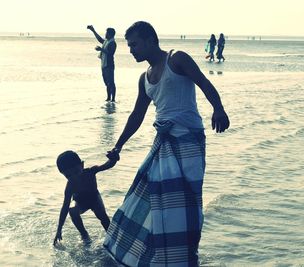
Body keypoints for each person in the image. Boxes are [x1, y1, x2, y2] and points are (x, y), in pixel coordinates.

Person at [103, 21, 230, 266]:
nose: (131, 50)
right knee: (146, 196)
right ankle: (147, 254)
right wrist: (118, 147)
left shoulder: (177, 59)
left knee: (186, 204)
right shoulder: (144, 78)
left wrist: (219, 109)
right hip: (162, 143)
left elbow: (204, 82)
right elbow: (137, 115)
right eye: (129, 46)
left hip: (189, 142)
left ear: (151, 39)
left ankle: (185, 256)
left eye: (135, 44)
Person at [53, 150, 119, 245]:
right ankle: (84, 234)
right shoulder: (70, 186)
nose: (74, 177)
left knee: (103, 218)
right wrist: (59, 229)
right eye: (68, 176)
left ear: (82, 165)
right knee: (72, 210)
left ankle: (113, 238)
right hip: (80, 202)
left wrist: (113, 159)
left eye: (76, 172)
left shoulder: (90, 172)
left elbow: (107, 165)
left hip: (94, 198)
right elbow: (65, 207)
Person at [87, 25, 117, 102]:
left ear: (110, 34)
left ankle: (113, 99)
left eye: (106, 33)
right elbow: (99, 39)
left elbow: (111, 53)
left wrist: (101, 49)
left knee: (111, 82)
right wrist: (93, 30)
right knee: (106, 82)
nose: (105, 34)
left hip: (109, 65)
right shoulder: (107, 41)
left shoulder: (112, 43)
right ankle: (108, 98)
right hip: (104, 64)